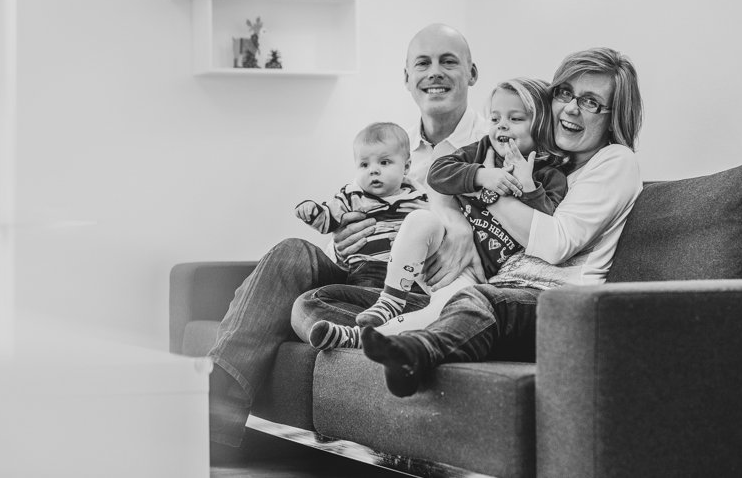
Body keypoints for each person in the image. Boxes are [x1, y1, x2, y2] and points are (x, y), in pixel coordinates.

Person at [292, 47, 644, 398]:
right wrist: (467, 196)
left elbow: (555, 244)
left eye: (591, 102)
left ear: (614, 115)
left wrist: (485, 189)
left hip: (544, 300)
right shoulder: (540, 160)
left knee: (473, 300)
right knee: (317, 300)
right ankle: (378, 332)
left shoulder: (614, 160)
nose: (571, 108)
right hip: (487, 286)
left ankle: (411, 349)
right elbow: (442, 176)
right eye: (565, 93)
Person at [208, 23, 486, 449]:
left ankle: (387, 331)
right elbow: (346, 217)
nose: (435, 72)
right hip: (361, 276)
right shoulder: (390, 149)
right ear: (407, 77)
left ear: (472, 73)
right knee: (290, 253)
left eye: (449, 61)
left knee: (304, 307)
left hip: (421, 291)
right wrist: (341, 243)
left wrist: (459, 228)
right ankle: (216, 407)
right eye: (423, 63)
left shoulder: (494, 147)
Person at [308, 78, 568, 350]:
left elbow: (543, 228)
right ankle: (390, 300)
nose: (501, 125)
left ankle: (360, 338)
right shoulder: (483, 150)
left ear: (541, 126)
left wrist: (527, 186)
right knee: (420, 219)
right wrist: (482, 175)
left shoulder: (551, 176)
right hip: (437, 247)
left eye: (515, 119)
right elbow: (439, 172)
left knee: (443, 311)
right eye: (494, 118)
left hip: (472, 274)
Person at [295, 122, 428, 289]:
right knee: (365, 290)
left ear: (406, 167)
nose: (373, 170)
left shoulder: (418, 196)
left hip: (411, 271)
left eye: (384, 162)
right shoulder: (352, 196)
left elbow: (435, 231)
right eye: (364, 165)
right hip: (368, 267)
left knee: (419, 288)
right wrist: (313, 211)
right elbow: (328, 219)